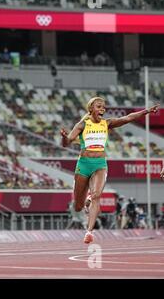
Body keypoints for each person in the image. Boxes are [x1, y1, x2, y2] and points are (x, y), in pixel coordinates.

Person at [60, 97, 159, 243]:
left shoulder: (107, 123)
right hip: (84, 164)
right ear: (91, 109)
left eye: (103, 107)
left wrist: (146, 111)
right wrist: (64, 137)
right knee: (78, 206)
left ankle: (89, 232)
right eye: (99, 107)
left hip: (100, 164)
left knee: (96, 196)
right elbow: (67, 143)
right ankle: (85, 201)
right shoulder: (82, 125)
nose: (102, 109)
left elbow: (127, 118)